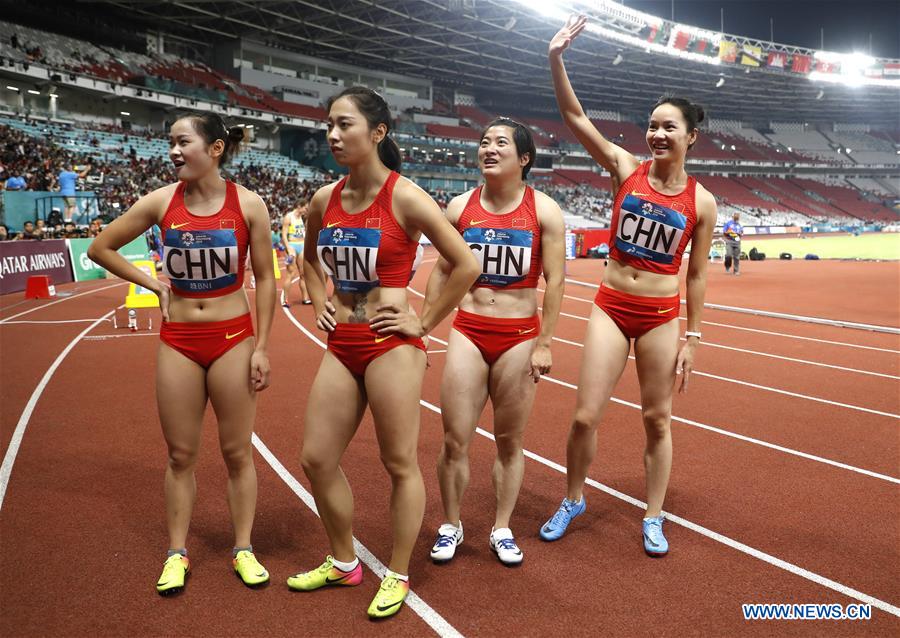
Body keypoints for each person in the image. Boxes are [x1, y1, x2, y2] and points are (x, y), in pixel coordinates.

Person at [286, 86, 479, 619]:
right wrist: (320, 301)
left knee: (398, 463)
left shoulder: (406, 197)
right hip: (341, 343)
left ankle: (396, 572)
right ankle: (344, 561)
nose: (332, 134)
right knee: (316, 458)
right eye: (329, 124)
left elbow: (466, 264)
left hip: (391, 343)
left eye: (344, 124)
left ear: (377, 132)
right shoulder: (323, 199)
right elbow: (309, 261)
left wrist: (425, 321)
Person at [538, 16, 717, 557]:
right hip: (612, 308)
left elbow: (697, 273)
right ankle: (573, 498)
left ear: (690, 136)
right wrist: (556, 58)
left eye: (669, 127)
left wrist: (693, 337)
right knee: (584, 416)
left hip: (661, 317)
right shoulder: (624, 167)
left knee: (657, 419)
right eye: (652, 125)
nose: (657, 134)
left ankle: (654, 514)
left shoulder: (702, 202)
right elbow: (575, 117)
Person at [87, 112, 276, 594]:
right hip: (179, 341)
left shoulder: (248, 204)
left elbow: (266, 277)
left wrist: (262, 347)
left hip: (234, 339)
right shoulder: (160, 201)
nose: (173, 150)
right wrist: (154, 285)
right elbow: (100, 248)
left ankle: (243, 548)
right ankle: (177, 553)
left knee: (237, 452)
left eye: (182, 141)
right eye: (170, 142)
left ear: (215, 148)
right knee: (180, 454)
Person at [423, 118, 565, 566]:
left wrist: (545, 343)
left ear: (524, 158)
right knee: (454, 439)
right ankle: (451, 523)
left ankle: (501, 527)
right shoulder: (459, 207)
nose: (488, 148)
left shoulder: (544, 211)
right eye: (484, 142)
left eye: (501, 143)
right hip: (468, 330)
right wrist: (423, 328)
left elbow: (556, 280)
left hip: (519, 336)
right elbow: (442, 271)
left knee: (509, 441)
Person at [280, 198, 311, 306]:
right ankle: (285, 299)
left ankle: (305, 298)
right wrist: (288, 248)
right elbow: (284, 235)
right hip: (292, 246)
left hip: (301, 245)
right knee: (291, 273)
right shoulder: (289, 217)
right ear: (299, 206)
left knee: (303, 274)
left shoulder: (302, 217)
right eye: (305, 208)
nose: (306, 210)